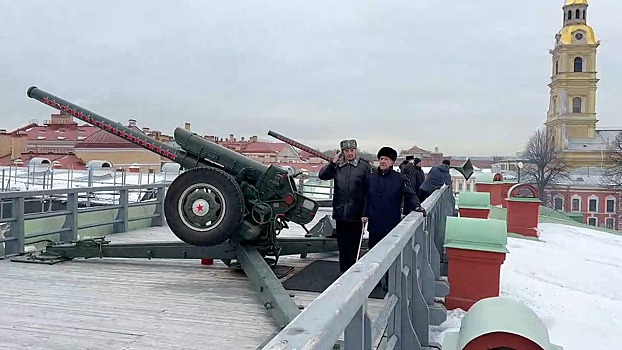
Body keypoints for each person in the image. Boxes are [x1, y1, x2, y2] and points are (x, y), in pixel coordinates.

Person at [318, 139, 371, 273]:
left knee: (354, 246)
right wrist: (333, 162)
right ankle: (343, 271)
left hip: (356, 213)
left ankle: (352, 272)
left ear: (356, 150)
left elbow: (368, 192)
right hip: (341, 213)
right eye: (346, 151)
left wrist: (365, 213)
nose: (350, 153)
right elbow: (322, 176)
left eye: (352, 150)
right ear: (342, 152)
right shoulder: (337, 166)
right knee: (342, 245)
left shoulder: (364, 166)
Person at [363, 146, 425, 252]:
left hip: (391, 223)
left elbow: (410, 194)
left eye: (386, 159)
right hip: (374, 224)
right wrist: (364, 214)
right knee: (373, 252)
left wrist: (417, 206)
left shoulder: (400, 178)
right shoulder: (371, 178)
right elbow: (366, 197)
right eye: (381, 159)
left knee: (388, 253)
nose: (383, 161)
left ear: (392, 162)